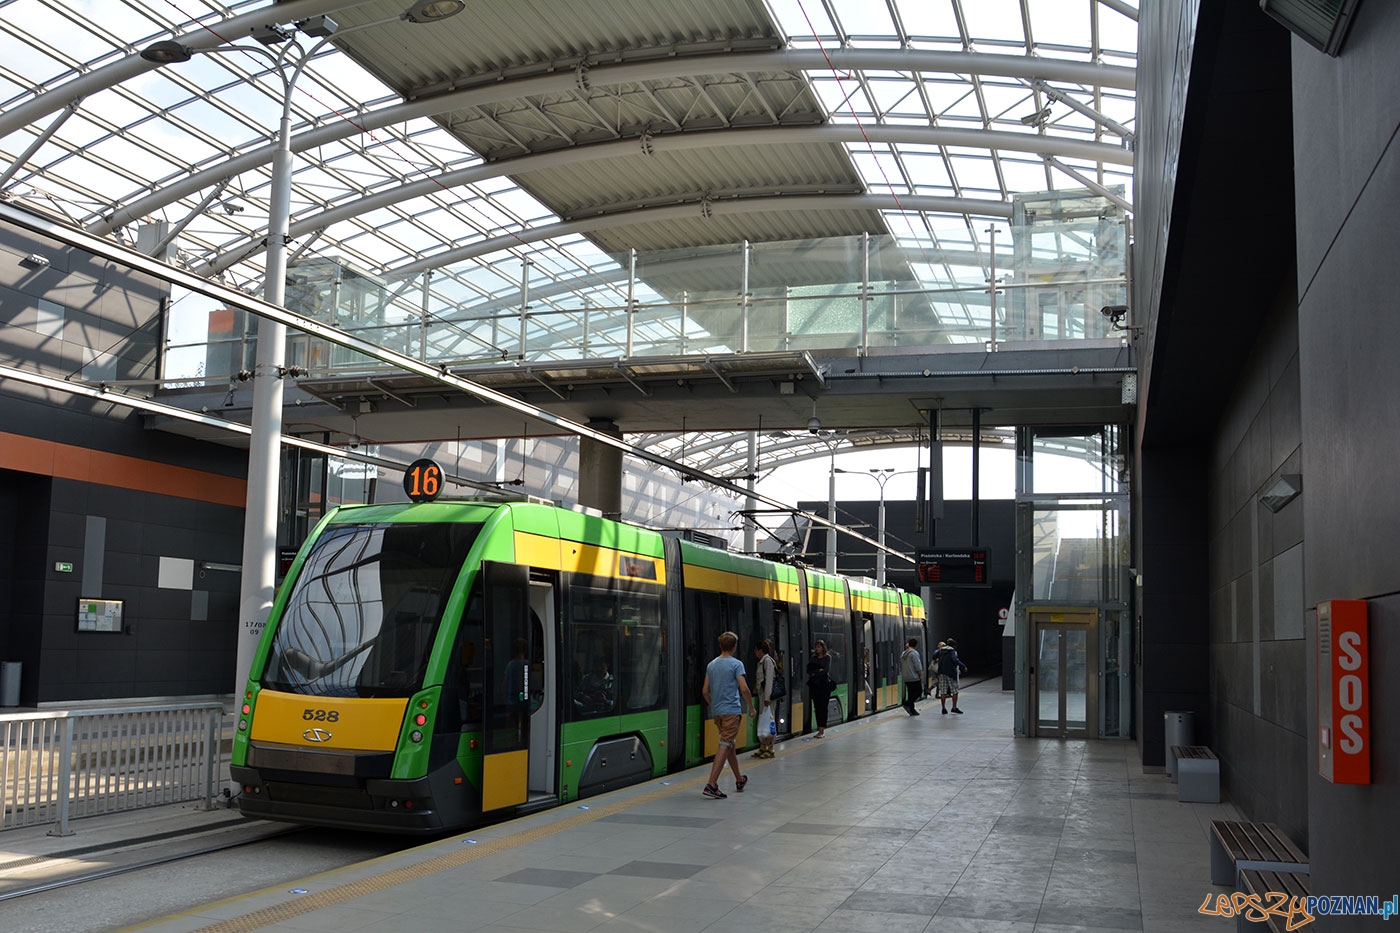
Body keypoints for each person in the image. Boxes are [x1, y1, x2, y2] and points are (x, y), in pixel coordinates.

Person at [701, 631, 752, 798]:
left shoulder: (711, 665)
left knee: (730, 743)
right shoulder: (737, 664)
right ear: (735, 646)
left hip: (717, 712)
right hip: (731, 710)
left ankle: (739, 779)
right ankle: (712, 784)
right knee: (725, 743)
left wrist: (714, 704)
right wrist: (751, 707)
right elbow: (743, 688)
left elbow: (705, 691)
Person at [751, 640, 778, 758]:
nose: (755, 652)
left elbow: (769, 681)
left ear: (760, 650)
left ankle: (771, 747)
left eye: (756, 650)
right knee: (763, 721)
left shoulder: (767, 661)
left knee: (769, 721)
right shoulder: (761, 662)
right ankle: (763, 746)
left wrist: (767, 697)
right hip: (763, 696)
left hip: (768, 697)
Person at [806, 639, 833, 738]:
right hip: (815, 686)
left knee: (823, 707)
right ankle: (819, 729)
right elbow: (809, 670)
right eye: (816, 647)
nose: (817, 649)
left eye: (819, 647)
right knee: (817, 707)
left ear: (823, 648)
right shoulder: (813, 658)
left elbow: (825, 671)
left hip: (824, 685)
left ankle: (822, 730)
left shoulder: (828, 658)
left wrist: (815, 672)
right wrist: (818, 671)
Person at [934, 637, 969, 714]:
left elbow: (934, 656)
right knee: (955, 691)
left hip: (941, 672)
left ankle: (943, 708)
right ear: (953, 645)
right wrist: (963, 666)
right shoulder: (951, 651)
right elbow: (955, 660)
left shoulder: (941, 650)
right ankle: (954, 707)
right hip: (950, 673)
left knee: (943, 691)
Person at [899, 637, 923, 716]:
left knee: (911, 693)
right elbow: (917, 665)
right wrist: (921, 675)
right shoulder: (914, 653)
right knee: (918, 691)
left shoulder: (903, 654)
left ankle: (912, 710)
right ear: (916, 645)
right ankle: (907, 703)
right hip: (914, 676)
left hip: (906, 677)